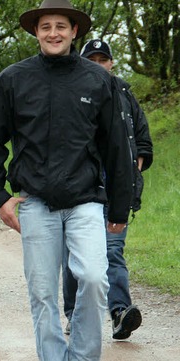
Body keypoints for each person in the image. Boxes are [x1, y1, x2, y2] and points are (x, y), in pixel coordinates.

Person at [0, 0, 134, 359]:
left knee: (94, 279)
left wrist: (120, 206)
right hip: (35, 204)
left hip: (86, 203)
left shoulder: (98, 80)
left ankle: (82, 355)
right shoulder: (12, 80)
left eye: (61, 26)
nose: (53, 33)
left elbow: (116, 150)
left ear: (74, 31)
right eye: (46, 26)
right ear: (36, 32)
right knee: (43, 292)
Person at [62, 38, 154, 340]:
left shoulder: (124, 92)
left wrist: (132, 167)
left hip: (117, 187)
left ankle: (119, 314)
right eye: (93, 59)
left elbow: (142, 137)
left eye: (104, 59)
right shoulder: (73, 90)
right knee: (76, 253)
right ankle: (73, 313)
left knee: (113, 249)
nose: (99, 65)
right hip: (82, 186)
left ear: (111, 63)